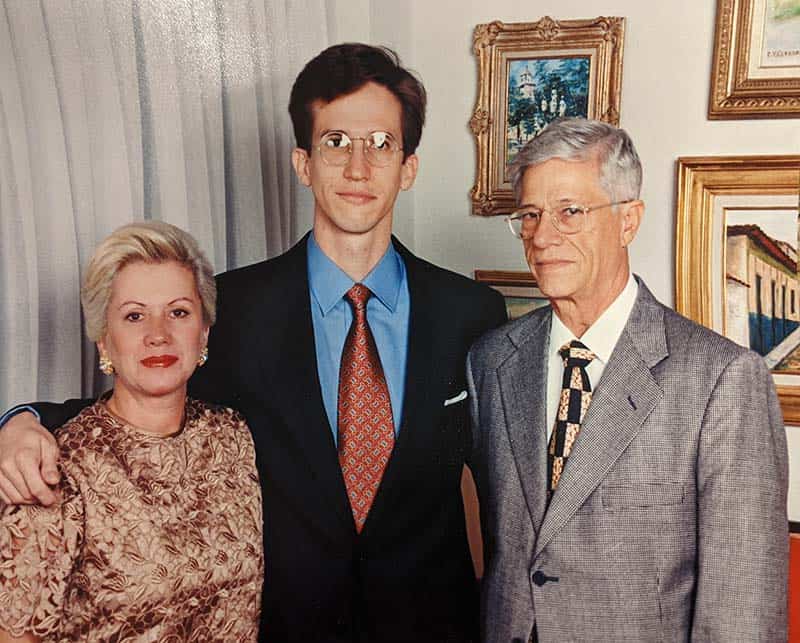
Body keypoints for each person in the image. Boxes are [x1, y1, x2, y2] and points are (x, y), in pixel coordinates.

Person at [0, 44, 507, 642]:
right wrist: (21, 420)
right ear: (303, 163)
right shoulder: (233, 308)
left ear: (409, 166)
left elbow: (512, 486)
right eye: (336, 142)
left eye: (381, 145)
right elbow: (141, 398)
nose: (358, 169)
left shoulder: (470, 313)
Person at [466, 118, 788, 643]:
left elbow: (743, 615)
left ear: (628, 220)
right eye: (530, 214)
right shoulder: (492, 362)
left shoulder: (722, 381)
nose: (543, 237)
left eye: (570, 212)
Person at [0, 221, 263, 642]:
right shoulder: (53, 469)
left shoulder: (232, 436)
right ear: (104, 341)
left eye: (178, 312)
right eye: (134, 315)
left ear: (205, 331)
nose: (157, 334)